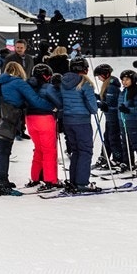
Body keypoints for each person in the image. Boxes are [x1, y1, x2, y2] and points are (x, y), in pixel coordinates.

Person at [0, 62, 52, 195]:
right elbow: (35, 100)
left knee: (0, 150)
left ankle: (0, 178)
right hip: (4, 119)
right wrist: (52, 106)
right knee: (5, 151)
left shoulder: (1, 82)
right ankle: (2, 184)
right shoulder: (19, 83)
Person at [53, 58, 101, 193]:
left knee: (76, 151)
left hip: (68, 121)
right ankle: (81, 182)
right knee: (85, 151)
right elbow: (93, 108)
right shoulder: (85, 83)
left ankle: (74, 180)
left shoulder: (63, 82)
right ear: (85, 69)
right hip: (82, 121)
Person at [26, 64, 61, 188]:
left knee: (38, 149)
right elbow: (59, 103)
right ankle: (51, 180)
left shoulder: (28, 86)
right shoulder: (48, 87)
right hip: (45, 120)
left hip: (30, 119)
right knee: (49, 151)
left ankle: (35, 177)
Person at [93, 64, 126, 172]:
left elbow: (109, 103)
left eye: (99, 76)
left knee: (113, 138)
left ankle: (117, 158)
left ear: (105, 74)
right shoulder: (107, 84)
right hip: (109, 117)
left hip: (113, 117)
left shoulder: (111, 86)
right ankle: (105, 157)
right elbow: (104, 99)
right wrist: (95, 96)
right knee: (107, 137)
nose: (98, 78)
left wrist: (99, 104)